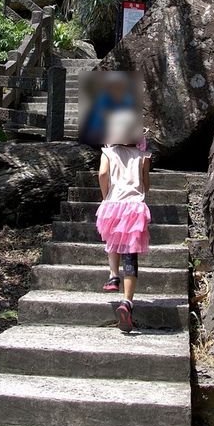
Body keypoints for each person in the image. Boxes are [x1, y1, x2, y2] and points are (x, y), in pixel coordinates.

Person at [95, 115, 151, 333]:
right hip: (135, 206)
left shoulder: (107, 152)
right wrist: (141, 188)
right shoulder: (143, 155)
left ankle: (113, 275)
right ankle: (127, 302)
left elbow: (102, 174)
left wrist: (105, 195)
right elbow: (146, 183)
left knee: (112, 238)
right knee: (130, 253)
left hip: (113, 202)